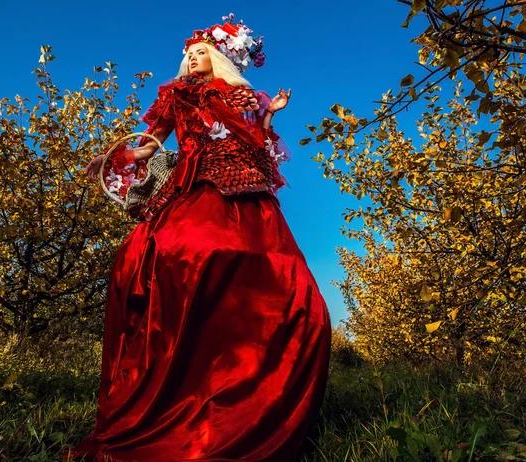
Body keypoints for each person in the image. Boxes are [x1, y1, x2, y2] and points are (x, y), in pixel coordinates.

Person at [64, 15, 331, 462]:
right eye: (188, 52)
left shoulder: (242, 95)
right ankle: (178, 371)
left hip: (243, 184)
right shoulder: (176, 97)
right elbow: (151, 144)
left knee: (282, 277)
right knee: (175, 253)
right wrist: (116, 155)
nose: (192, 56)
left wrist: (267, 115)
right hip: (192, 183)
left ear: (220, 57)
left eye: (201, 51)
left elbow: (256, 139)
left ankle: (255, 381)